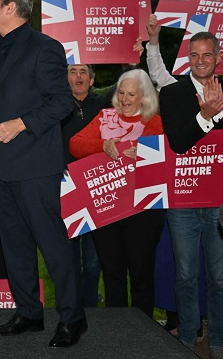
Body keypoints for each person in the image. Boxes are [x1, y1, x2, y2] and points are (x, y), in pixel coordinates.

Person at [0, 0, 83, 348]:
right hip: (3, 167)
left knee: (52, 244)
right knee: (14, 246)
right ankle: (29, 312)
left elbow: (62, 102)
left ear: (11, 7)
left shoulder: (45, 48)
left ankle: (74, 318)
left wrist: (21, 123)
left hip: (35, 167)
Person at [155, 29, 223, 357]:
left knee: (219, 278)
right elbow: (177, 141)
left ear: (218, 58)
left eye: (207, 55)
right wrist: (205, 117)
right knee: (186, 274)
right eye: (195, 55)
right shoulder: (172, 94)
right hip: (184, 200)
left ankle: (219, 342)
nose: (201, 61)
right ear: (187, 58)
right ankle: (188, 338)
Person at [70, 68, 165, 317]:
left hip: (142, 211)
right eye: (121, 92)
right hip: (107, 208)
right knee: (112, 273)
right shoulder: (105, 117)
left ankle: (144, 332)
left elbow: (163, 156)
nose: (124, 99)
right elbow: (75, 143)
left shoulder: (152, 120)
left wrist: (142, 151)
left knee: (141, 273)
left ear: (144, 96)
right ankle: (117, 332)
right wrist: (103, 145)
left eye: (131, 94)